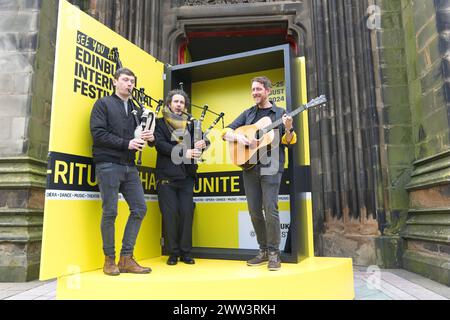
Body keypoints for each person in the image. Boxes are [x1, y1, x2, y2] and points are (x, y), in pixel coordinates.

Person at [222, 76, 297, 271]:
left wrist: (288, 128)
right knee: (254, 210)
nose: (254, 93)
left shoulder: (280, 114)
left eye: (258, 89)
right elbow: (225, 132)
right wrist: (239, 137)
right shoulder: (248, 114)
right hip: (249, 167)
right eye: (253, 89)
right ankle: (263, 250)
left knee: (270, 209)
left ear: (268, 91)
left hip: (271, 166)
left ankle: (274, 253)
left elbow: (289, 141)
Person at [90, 67, 154, 276]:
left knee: (139, 209)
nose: (129, 84)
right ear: (115, 81)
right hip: (108, 164)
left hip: (129, 165)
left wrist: (146, 136)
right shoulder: (103, 103)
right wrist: (127, 143)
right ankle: (109, 260)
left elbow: (138, 137)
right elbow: (98, 133)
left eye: (132, 81)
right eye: (125, 80)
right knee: (111, 211)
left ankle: (126, 258)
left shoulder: (135, 109)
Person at [153, 90, 207, 266]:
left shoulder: (191, 124)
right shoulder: (160, 123)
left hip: (186, 177)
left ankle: (185, 253)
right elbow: (160, 145)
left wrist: (203, 143)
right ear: (169, 104)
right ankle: (173, 253)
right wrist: (185, 151)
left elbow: (205, 140)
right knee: (170, 215)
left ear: (185, 106)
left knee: (186, 214)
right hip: (166, 178)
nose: (178, 105)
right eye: (175, 101)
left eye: (182, 102)